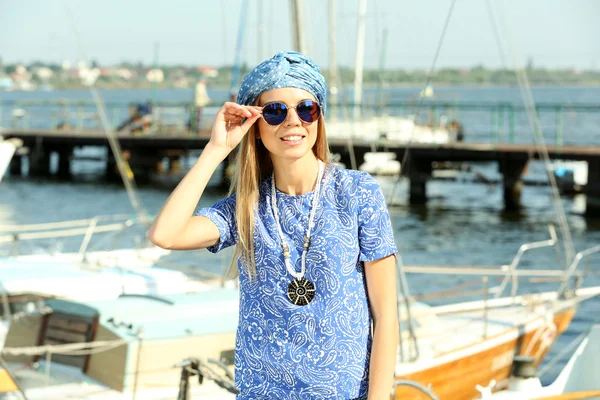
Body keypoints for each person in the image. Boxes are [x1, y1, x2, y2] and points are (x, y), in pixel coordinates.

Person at [149, 50, 398, 399]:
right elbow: (165, 234)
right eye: (275, 111)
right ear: (256, 126)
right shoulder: (246, 208)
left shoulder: (358, 193)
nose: (293, 121)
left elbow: (386, 316)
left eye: (306, 108)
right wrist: (216, 150)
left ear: (319, 117)